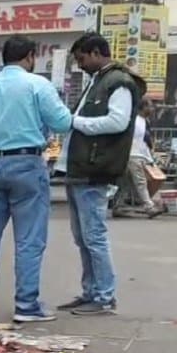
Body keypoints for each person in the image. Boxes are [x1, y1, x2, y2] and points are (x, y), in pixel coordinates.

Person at [0, 35, 73, 322]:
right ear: (29, 57)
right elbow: (63, 122)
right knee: (29, 239)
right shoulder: (38, 85)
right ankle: (26, 305)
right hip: (26, 162)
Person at [55, 32, 146, 316]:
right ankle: (91, 292)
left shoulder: (118, 83)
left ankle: (104, 296)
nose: (80, 65)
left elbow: (117, 122)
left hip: (96, 169)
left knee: (94, 236)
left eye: (82, 59)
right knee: (83, 237)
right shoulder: (99, 81)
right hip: (81, 169)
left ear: (96, 53)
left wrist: (77, 122)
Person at [121, 99, 163, 218]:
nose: (152, 109)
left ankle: (118, 206)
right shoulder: (133, 120)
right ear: (143, 107)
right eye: (150, 107)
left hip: (137, 155)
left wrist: (150, 158)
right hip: (132, 155)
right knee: (140, 182)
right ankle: (149, 207)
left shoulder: (145, 121)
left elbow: (144, 142)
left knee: (125, 183)